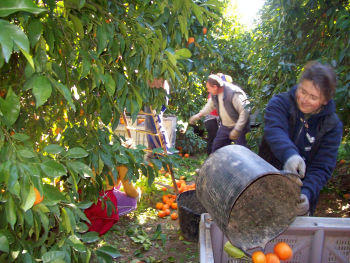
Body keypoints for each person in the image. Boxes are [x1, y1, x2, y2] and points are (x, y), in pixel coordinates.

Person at [258, 61, 343, 216]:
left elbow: (322, 166)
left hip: (300, 194)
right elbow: (275, 131)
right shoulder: (280, 103)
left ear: (325, 100)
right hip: (266, 183)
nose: (304, 99)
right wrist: (290, 155)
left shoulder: (332, 125)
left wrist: (307, 193)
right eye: (302, 91)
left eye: (313, 97)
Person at [189, 74, 250, 153]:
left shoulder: (233, 93)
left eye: (208, 88)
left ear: (215, 87)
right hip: (225, 126)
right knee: (217, 149)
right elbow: (209, 106)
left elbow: (245, 111)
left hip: (240, 127)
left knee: (242, 152)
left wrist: (237, 129)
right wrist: (198, 115)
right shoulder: (215, 94)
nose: (208, 91)